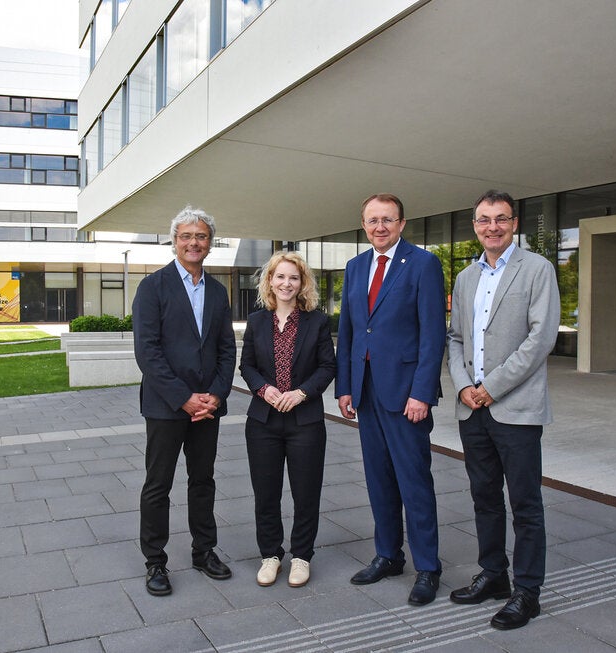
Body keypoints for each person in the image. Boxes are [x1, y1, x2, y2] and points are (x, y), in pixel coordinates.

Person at [446, 189, 560, 629]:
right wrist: (462, 388)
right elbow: (455, 338)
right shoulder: (465, 277)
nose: (491, 226)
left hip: (515, 409)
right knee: (484, 497)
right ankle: (494, 575)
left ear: (514, 223)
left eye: (500, 218)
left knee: (525, 503)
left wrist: (489, 387)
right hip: (472, 409)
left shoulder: (538, 269)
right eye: (483, 219)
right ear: (475, 225)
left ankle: (527, 592)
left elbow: (541, 338)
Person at [335, 193, 446, 606]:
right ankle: (388, 555)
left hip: (406, 396)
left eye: (387, 219)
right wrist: (345, 386)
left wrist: (422, 392)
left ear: (401, 223)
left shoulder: (422, 264)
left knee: (414, 482)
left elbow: (433, 335)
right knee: (379, 479)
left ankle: (428, 567)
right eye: (371, 220)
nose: (379, 227)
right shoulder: (355, 267)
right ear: (363, 225)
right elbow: (348, 332)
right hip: (365, 392)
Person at [132, 205, 237, 597]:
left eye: (202, 236)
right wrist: (184, 398)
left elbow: (227, 349)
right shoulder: (152, 287)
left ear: (210, 244)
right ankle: (155, 562)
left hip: (207, 407)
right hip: (165, 406)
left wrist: (216, 395)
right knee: (158, 485)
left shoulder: (218, 290)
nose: (194, 242)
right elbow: (148, 352)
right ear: (174, 241)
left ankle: (203, 551)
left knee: (203, 481)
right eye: (187, 236)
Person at [240, 251, 336, 588]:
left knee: (305, 492)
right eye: (280, 277)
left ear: (302, 283)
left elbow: (328, 367)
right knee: (266, 493)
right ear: (269, 281)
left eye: (293, 278)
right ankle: (270, 555)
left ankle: (301, 557)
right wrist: (264, 389)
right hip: (263, 421)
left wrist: (301, 393)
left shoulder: (317, 321)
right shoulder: (256, 321)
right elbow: (246, 366)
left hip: (305, 420)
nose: (286, 283)